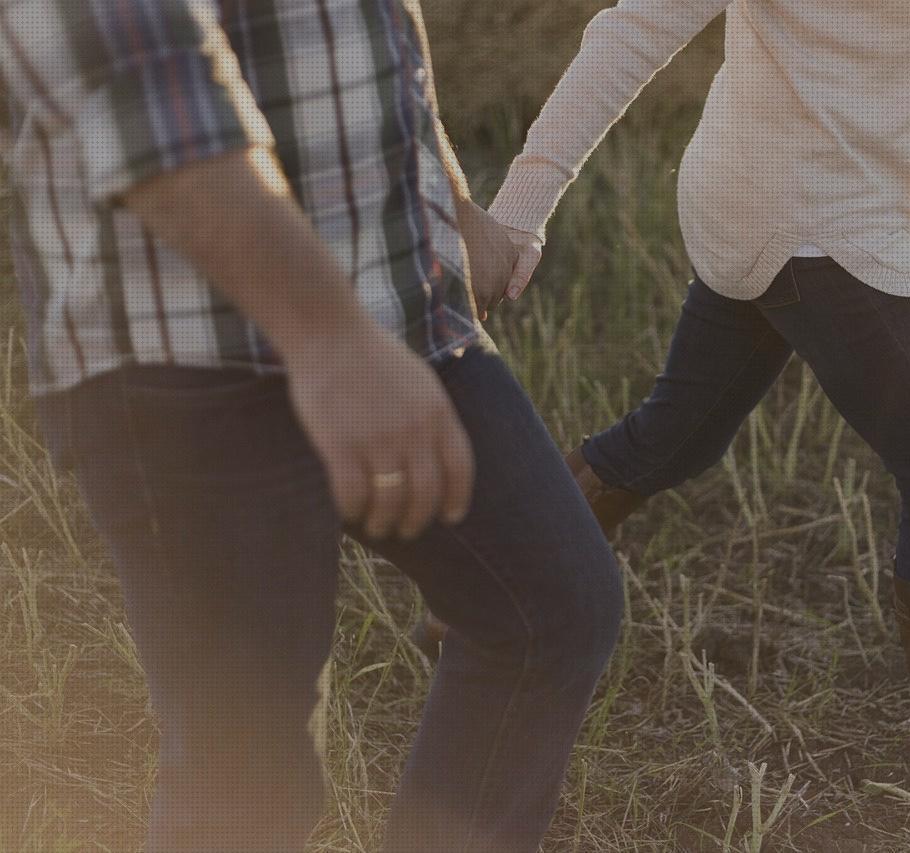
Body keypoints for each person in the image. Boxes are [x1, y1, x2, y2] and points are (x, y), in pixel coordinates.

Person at [481, 0, 910, 838]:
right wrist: (516, 214)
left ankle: (492, 591)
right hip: (819, 219)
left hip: (769, 195)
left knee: (678, 435)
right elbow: (635, 29)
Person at [0, 1, 617, 851]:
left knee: (551, 605)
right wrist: (329, 339)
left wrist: (448, 191)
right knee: (248, 775)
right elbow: (146, 98)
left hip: (393, 309)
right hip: (187, 353)